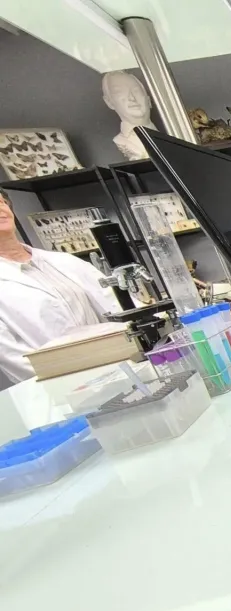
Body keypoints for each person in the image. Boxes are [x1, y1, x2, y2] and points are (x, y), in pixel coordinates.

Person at [0, 191, 121, 384]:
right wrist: (76, 381)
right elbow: (11, 357)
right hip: (62, 386)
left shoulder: (64, 260)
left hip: (120, 364)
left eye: (1, 202)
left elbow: (116, 303)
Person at [102, 70, 156, 161]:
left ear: (148, 99)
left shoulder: (171, 132)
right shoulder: (120, 141)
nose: (131, 97)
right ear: (109, 102)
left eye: (136, 91)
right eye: (120, 92)